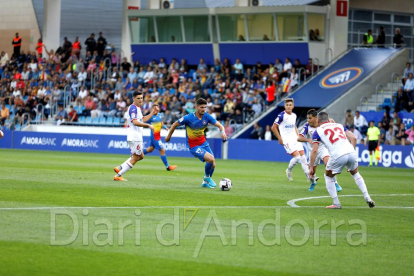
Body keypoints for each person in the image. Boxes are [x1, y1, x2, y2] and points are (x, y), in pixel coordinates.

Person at [310, 111, 375, 209]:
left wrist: (311, 167)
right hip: (351, 152)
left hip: (338, 154)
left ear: (318, 120)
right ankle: (367, 197)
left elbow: (315, 150)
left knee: (328, 176)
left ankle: (336, 203)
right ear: (328, 119)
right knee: (355, 173)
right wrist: (350, 153)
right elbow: (353, 138)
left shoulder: (317, 131)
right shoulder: (339, 125)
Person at [165, 98, 227, 189]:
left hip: (204, 143)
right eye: (201, 107)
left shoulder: (207, 116)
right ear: (196, 107)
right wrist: (169, 136)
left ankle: (205, 182)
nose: (203, 109)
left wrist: (223, 132)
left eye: (205, 107)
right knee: (211, 159)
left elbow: (220, 125)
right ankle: (206, 178)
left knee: (213, 163)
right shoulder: (188, 118)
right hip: (193, 146)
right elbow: (175, 124)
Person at [113, 91, 157, 181]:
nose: (140, 100)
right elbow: (135, 122)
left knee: (140, 156)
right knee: (136, 157)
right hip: (134, 136)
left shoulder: (138, 108)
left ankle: (120, 167)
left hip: (136, 136)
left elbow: (142, 119)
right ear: (133, 98)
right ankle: (118, 175)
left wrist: (152, 113)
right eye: (138, 98)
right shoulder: (133, 108)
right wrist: (148, 125)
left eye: (141, 98)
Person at [298, 109, 342, 192]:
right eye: (307, 118)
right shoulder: (307, 126)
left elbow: (332, 121)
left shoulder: (322, 123)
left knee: (329, 164)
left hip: (323, 148)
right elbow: (299, 138)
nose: (308, 120)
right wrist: (308, 140)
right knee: (311, 172)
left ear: (316, 118)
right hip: (312, 151)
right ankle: (313, 182)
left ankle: (335, 183)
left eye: (310, 118)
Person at [271, 98, 313, 184]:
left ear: (293, 106)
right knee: (297, 157)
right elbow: (273, 127)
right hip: (287, 140)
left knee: (303, 157)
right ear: (285, 106)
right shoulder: (281, 115)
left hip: (295, 138)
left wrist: (298, 136)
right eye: (287, 105)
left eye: (290, 105)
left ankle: (308, 175)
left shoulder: (294, 115)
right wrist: (279, 138)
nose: (288, 107)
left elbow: (294, 126)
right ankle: (288, 170)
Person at [142, 103, 177, 171]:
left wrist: (165, 127)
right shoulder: (150, 117)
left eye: (157, 108)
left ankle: (137, 154)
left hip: (157, 136)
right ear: (152, 109)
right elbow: (143, 121)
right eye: (155, 108)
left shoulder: (160, 115)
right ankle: (168, 166)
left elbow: (161, 123)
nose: (156, 109)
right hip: (155, 137)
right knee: (162, 150)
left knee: (150, 149)